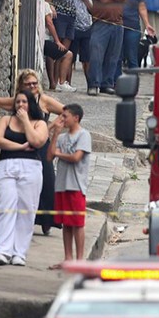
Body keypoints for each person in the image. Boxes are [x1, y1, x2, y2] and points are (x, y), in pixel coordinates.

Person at [0, 90, 48, 266]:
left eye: (24, 102)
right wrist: (20, 146)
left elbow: (37, 141)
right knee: (5, 207)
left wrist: (25, 121)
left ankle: (19, 253)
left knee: (26, 209)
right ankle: (2, 251)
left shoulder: (39, 123)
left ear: (31, 104)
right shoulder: (5, 120)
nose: (20, 105)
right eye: (17, 102)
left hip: (31, 168)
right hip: (7, 165)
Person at [47, 104, 92, 270]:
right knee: (66, 223)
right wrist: (55, 134)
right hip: (61, 185)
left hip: (76, 185)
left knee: (78, 223)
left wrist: (59, 153)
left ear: (76, 118)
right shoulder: (62, 137)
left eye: (65, 116)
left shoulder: (84, 135)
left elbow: (76, 157)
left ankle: (80, 260)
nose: (62, 119)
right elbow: (49, 156)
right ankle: (68, 258)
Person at [88, 0, 125, 96]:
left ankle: (107, 83)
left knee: (113, 56)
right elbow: (101, 0)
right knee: (96, 54)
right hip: (101, 22)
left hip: (118, 23)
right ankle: (94, 84)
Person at [114, 0, 156, 79]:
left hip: (132, 27)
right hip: (116, 26)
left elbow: (142, 8)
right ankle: (115, 82)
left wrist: (147, 24)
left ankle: (133, 82)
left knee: (132, 56)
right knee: (117, 56)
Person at [43, 0, 75, 92]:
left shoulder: (45, 5)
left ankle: (54, 82)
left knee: (52, 56)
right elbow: (49, 23)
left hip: (44, 39)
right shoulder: (46, 5)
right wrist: (57, 41)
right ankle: (62, 82)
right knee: (68, 54)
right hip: (46, 39)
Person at [68, 0, 94, 87]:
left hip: (87, 29)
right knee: (70, 58)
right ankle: (67, 83)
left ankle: (90, 84)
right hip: (72, 29)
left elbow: (93, 11)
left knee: (87, 59)